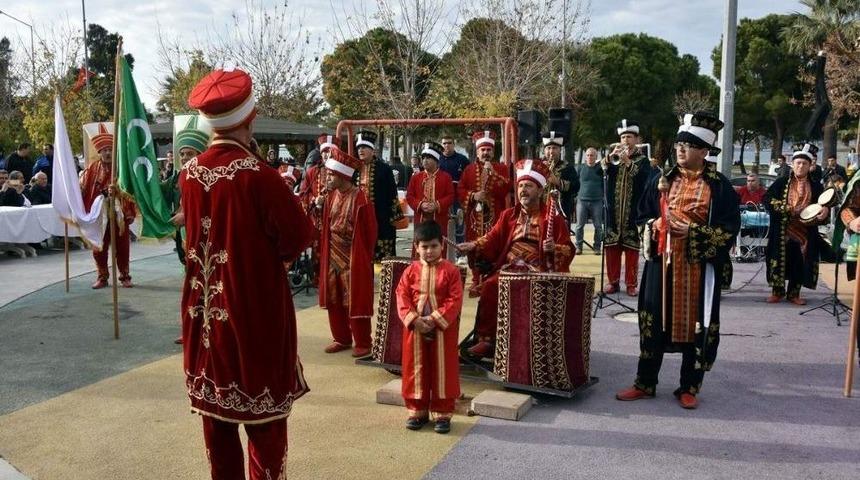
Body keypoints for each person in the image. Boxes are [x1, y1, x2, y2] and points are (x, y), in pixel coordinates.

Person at [181, 68, 313, 480]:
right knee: (267, 434)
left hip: (203, 322)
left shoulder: (188, 174)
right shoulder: (260, 176)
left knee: (218, 435)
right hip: (255, 318)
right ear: (249, 119)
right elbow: (299, 236)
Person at [616, 111, 739, 409]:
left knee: (698, 325)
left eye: (688, 145)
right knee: (652, 321)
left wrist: (693, 231)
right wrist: (655, 226)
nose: (680, 150)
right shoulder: (662, 180)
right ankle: (645, 382)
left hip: (698, 265)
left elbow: (729, 228)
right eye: (678, 145)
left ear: (704, 151)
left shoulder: (719, 186)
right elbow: (642, 214)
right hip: (663, 262)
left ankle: (689, 386)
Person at [456, 159, 575, 359]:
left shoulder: (553, 218)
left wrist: (555, 248)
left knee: (527, 290)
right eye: (520, 186)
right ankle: (486, 341)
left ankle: (529, 347)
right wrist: (474, 245)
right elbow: (491, 237)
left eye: (528, 186)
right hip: (508, 268)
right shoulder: (509, 215)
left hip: (538, 271)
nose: (523, 190)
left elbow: (569, 249)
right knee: (491, 285)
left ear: (539, 190)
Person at [396, 220, 463, 434]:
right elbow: (402, 297)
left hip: (443, 329)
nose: (429, 251)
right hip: (415, 330)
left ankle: (443, 411)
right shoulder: (410, 271)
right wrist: (415, 320)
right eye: (424, 246)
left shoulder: (451, 271)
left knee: (443, 369)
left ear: (441, 245)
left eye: (433, 246)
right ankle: (418, 409)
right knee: (415, 368)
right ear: (416, 247)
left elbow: (454, 300)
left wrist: (433, 319)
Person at [318, 146, 378, 358]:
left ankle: (363, 341)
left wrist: (365, 256)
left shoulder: (361, 199)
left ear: (343, 175)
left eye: (332, 174)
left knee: (355, 298)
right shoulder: (330, 197)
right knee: (334, 298)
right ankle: (341, 338)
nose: (328, 178)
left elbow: (370, 231)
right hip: (332, 252)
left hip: (353, 255)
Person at [764, 143, 830, 305]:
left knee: (799, 262)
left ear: (810, 166)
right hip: (782, 230)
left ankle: (794, 293)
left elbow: (824, 203)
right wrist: (785, 208)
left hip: (804, 232)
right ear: (792, 164)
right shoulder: (780, 182)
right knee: (778, 260)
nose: (801, 166)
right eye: (798, 163)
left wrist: (825, 211)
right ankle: (777, 292)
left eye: (804, 163)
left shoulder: (816, 186)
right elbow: (767, 199)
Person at [80, 124, 137, 289]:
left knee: (123, 247)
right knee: (99, 247)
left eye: (110, 149)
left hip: (119, 214)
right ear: (99, 152)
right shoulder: (92, 168)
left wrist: (118, 191)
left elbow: (130, 190)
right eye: (104, 150)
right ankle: (102, 277)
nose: (107, 152)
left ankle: (125, 276)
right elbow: (84, 189)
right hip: (99, 214)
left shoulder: (121, 169)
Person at [459, 130, 512, 297]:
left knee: (493, 246)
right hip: (475, 219)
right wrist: (473, 196)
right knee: (473, 247)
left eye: (489, 150)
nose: (486, 153)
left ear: (493, 151)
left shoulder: (501, 168)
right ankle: (476, 280)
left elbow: (507, 188)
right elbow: (460, 189)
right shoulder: (468, 169)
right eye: (483, 150)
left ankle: (491, 279)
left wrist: (493, 174)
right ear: (477, 151)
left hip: (495, 217)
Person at [602, 119, 651, 296]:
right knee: (611, 249)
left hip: (633, 212)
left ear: (637, 139)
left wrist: (628, 163)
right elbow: (601, 171)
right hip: (613, 212)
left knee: (631, 251)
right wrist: (609, 158)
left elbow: (644, 178)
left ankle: (631, 284)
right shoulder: (614, 158)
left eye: (629, 137)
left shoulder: (643, 160)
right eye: (623, 137)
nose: (625, 140)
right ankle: (613, 282)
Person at [354, 130, 405, 260]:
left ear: (372, 150)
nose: (361, 150)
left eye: (364, 147)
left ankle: (386, 279)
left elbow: (392, 194)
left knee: (384, 257)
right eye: (359, 147)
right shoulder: (354, 169)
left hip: (381, 218)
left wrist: (394, 218)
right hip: (359, 218)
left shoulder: (384, 169)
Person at [406, 141, 455, 258]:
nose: (425, 161)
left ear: (436, 160)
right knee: (419, 246)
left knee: (438, 245)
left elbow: (451, 196)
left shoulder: (446, 177)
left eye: (429, 158)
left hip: (439, 219)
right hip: (421, 219)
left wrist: (437, 205)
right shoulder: (416, 177)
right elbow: (409, 196)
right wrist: (420, 205)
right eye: (423, 158)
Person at [540, 131, 580, 230]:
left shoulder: (567, 168)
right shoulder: (538, 166)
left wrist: (557, 182)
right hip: (540, 210)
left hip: (561, 211)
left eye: (555, 148)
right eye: (548, 148)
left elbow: (576, 187)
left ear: (560, 150)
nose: (551, 151)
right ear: (544, 150)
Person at [439, 135, 470, 244]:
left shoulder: (462, 159)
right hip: (441, 198)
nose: (447, 145)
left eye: (449, 143)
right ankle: (442, 249)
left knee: (459, 224)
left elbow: (469, 177)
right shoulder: (438, 159)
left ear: (453, 144)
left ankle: (460, 251)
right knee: (442, 224)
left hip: (458, 198)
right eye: (444, 143)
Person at [574, 147, 604, 254]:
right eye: (588, 155)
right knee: (579, 226)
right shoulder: (580, 168)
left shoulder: (600, 169)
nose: (590, 157)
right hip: (582, 201)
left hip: (597, 201)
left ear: (596, 157)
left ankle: (597, 247)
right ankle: (578, 246)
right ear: (585, 157)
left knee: (598, 226)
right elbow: (575, 183)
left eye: (592, 155)